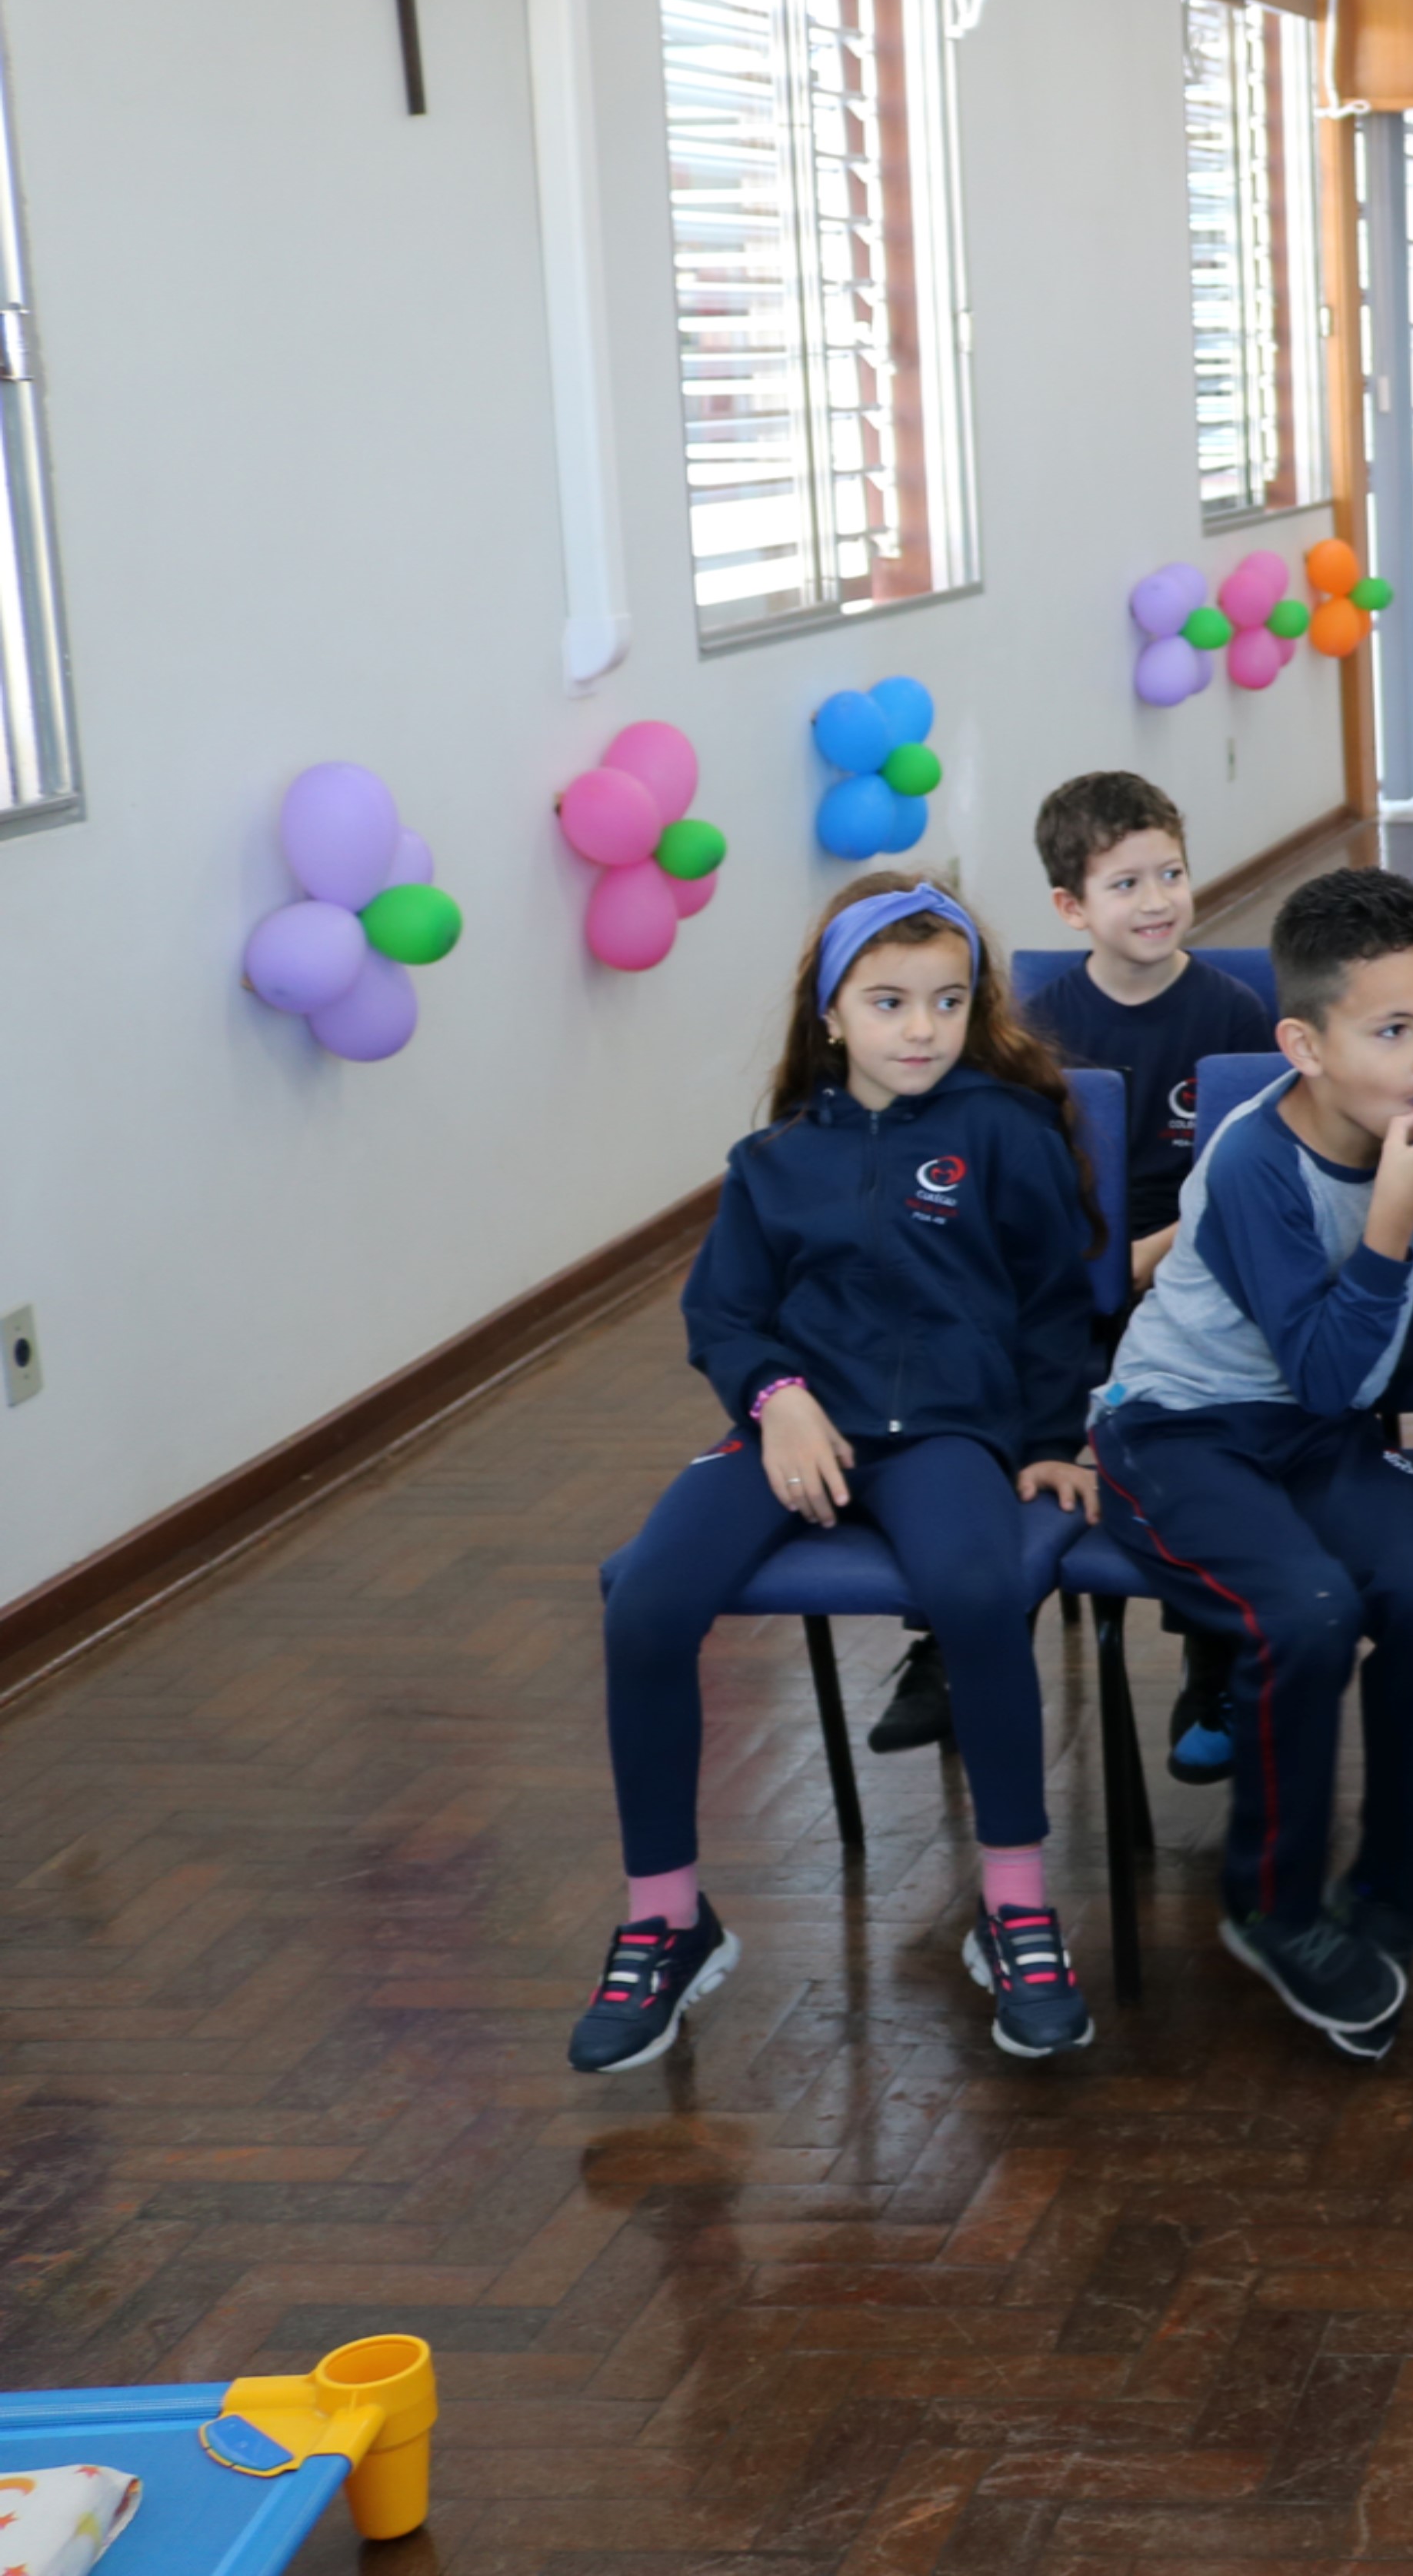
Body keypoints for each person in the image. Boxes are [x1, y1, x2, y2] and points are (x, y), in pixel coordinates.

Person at [578, 873, 1105, 2072]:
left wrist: (1047, 1441)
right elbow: (725, 1317)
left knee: (975, 1595)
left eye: (948, 1001)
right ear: (831, 1013)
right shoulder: (773, 1161)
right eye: (889, 1002)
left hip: (948, 1435)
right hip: (795, 1431)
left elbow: (1052, 1301)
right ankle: (666, 1919)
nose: (922, 1029)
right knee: (646, 1603)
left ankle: (1015, 1907)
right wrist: (778, 1400)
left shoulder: (1005, 1132)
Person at [1091, 867, 1413, 2061]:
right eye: (1392, 1031)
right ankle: (1270, 1907)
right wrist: (1390, 1215)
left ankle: (1390, 1894)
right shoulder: (1253, 1163)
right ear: (1305, 1046)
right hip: (1177, 1430)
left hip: (1310, 1440)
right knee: (1309, 1613)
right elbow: (1331, 1371)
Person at [979, 768, 1274, 1792]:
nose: (1158, 900)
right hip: (1082, 1263)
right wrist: (1105, 1264)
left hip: (1198, 1260)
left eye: (1172, 874)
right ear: (1072, 908)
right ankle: (956, 1636)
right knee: (998, 1373)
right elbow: (1025, 1191)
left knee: (1205, 1425)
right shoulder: (1039, 1027)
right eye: (1127, 883)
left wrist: (1154, 1255)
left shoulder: (1234, 1012)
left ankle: (1214, 1658)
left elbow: (1250, 1175)